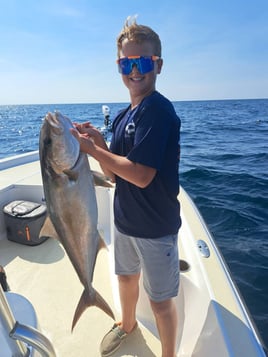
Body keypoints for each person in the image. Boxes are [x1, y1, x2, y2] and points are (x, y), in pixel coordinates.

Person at [71, 16, 181, 357]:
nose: (134, 70)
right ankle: (127, 324)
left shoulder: (158, 111)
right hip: (125, 222)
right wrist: (101, 142)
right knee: (125, 280)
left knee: (161, 302)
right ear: (119, 65)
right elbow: (115, 174)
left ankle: (168, 355)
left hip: (156, 228)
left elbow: (142, 175)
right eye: (126, 62)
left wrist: (89, 149)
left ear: (158, 65)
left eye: (142, 61)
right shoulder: (122, 116)